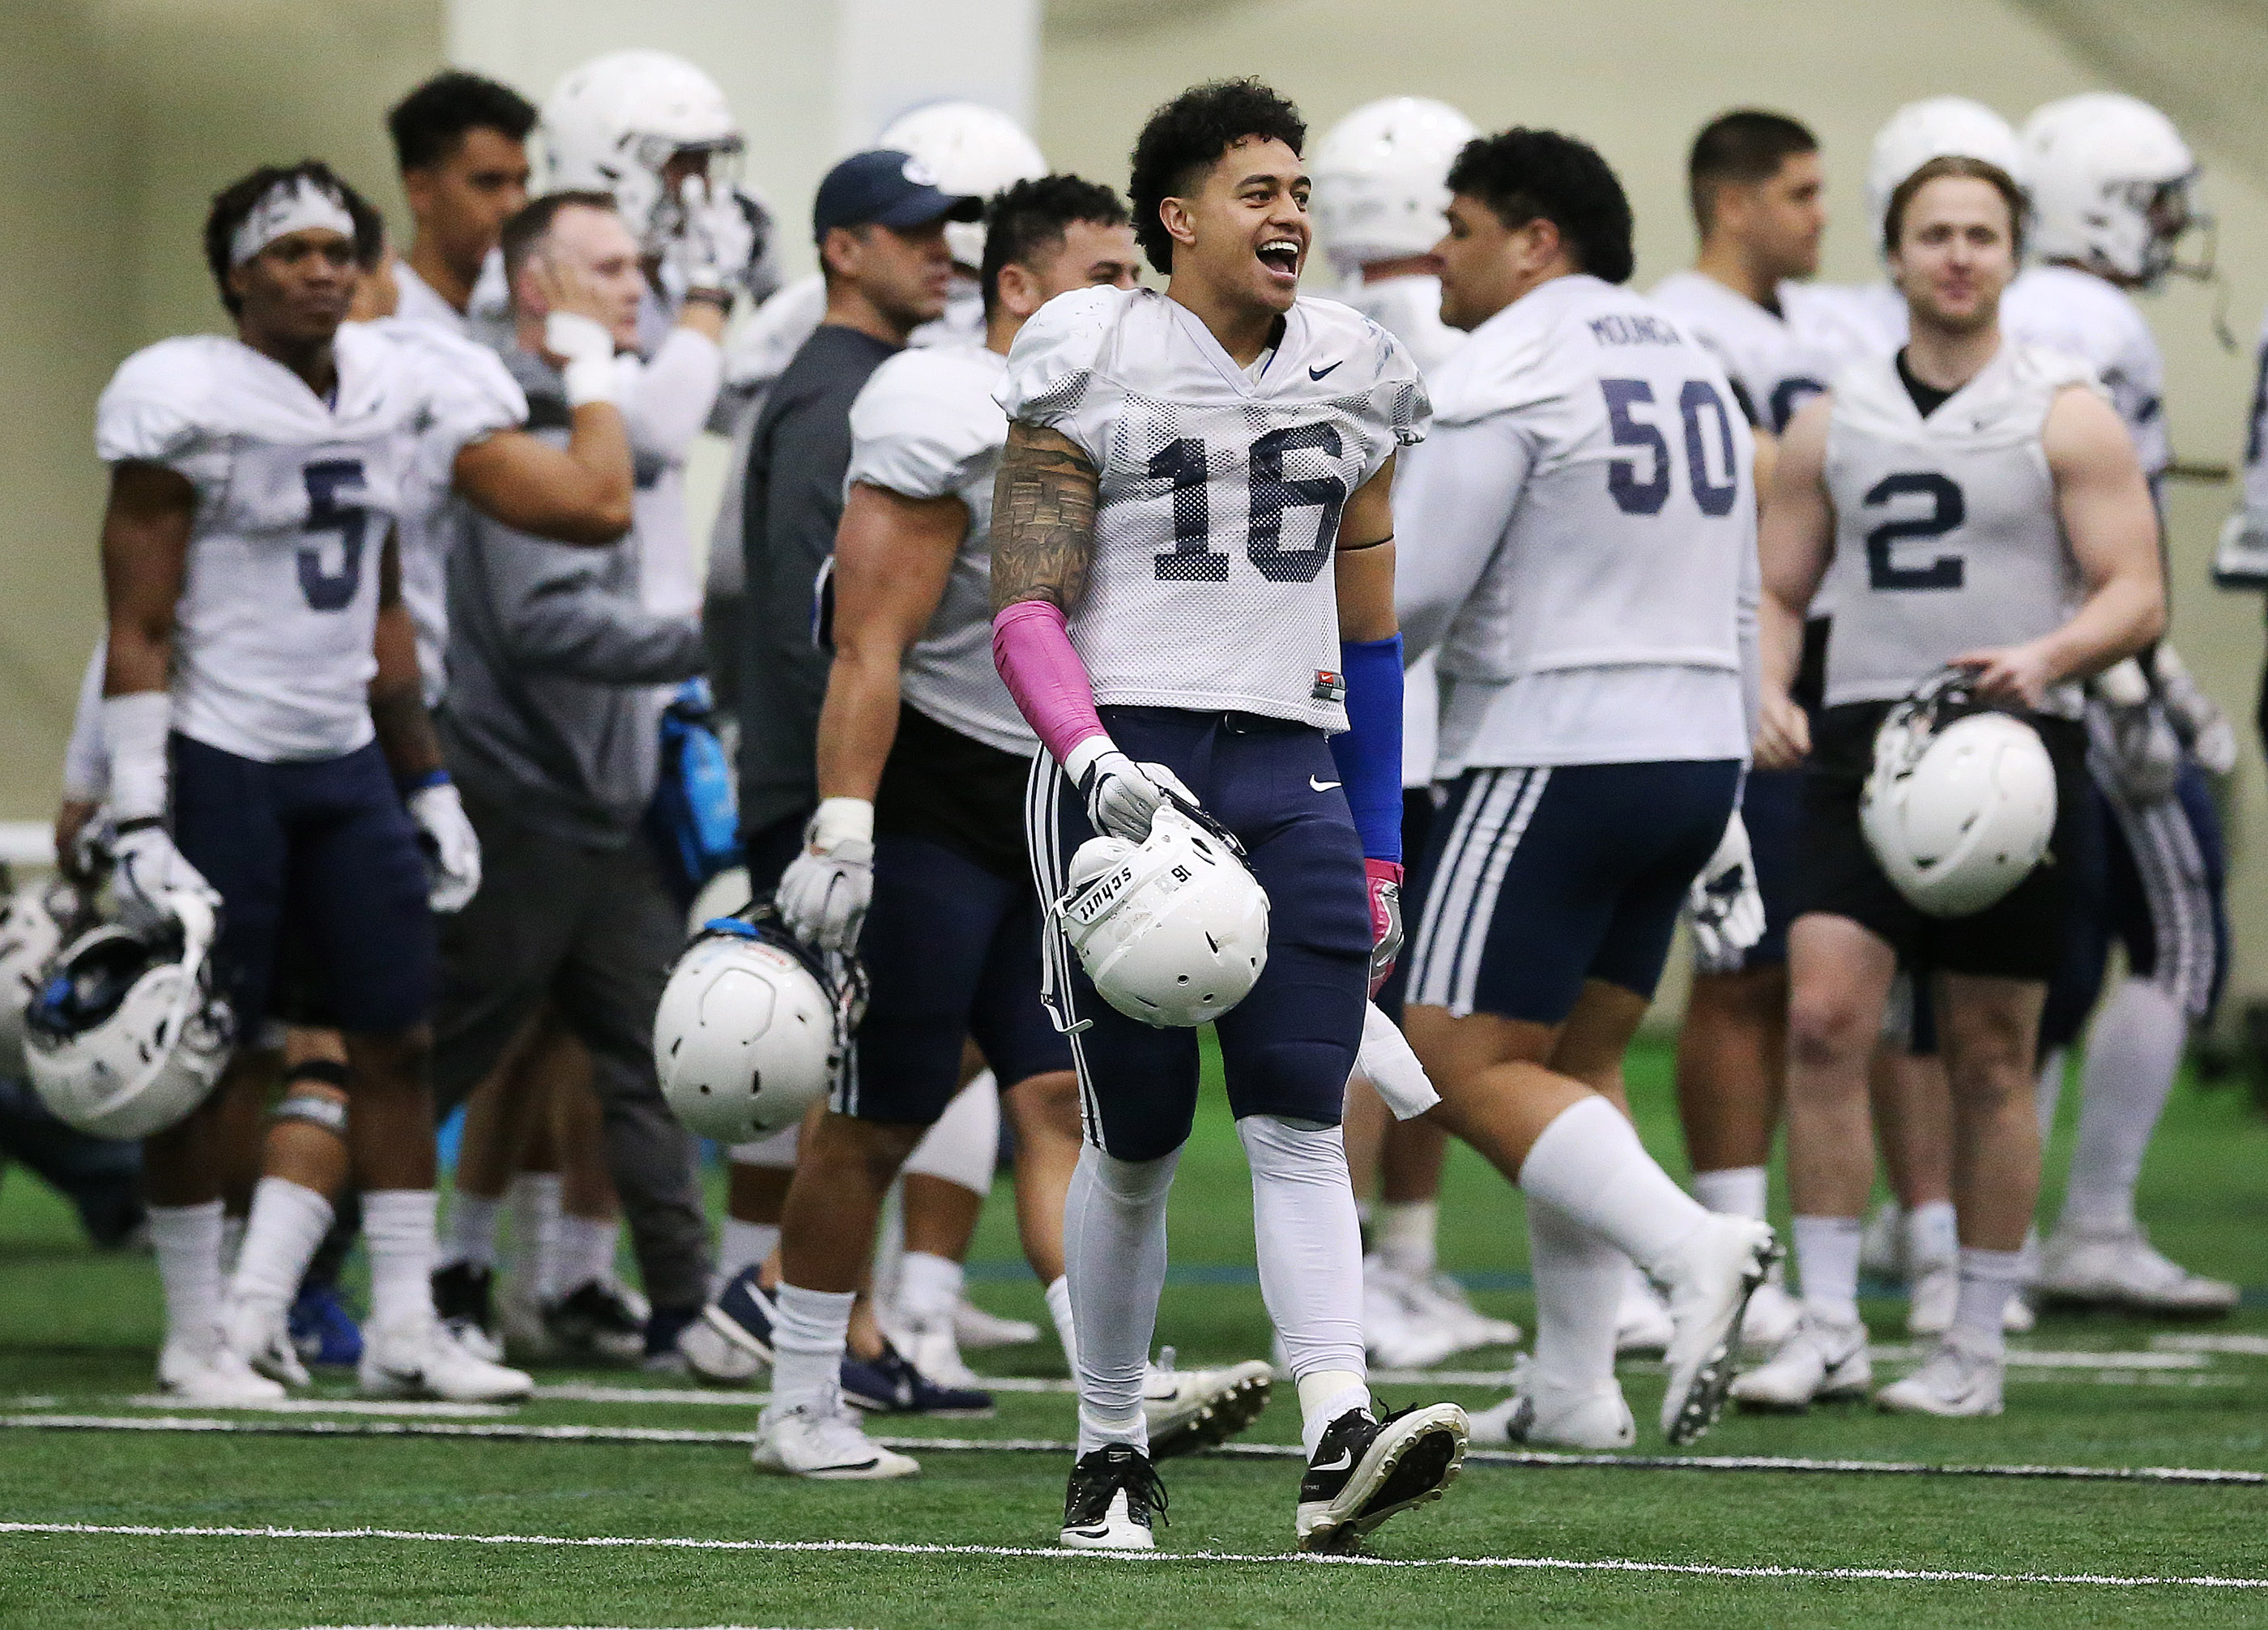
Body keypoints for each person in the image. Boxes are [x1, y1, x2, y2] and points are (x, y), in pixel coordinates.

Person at [990, 77, 1467, 1555]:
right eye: (1259, 192)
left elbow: (1372, 637)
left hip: (1296, 772)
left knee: (1302, 1116)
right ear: (1178, 218)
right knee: (1132, 1135)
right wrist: (1086, 757)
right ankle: (1110, 1449)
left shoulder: (1357, 366)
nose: (1293, 217)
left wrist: (1380, 842)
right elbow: (1022, 610)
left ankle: (1338, 1430)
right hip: (1128, 774)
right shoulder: (1092, 349)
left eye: (1303, 191)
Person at [752, 173, 1273, 1479]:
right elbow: (868, 644)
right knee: (880, 1107)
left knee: (1061, 1093)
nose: (1132, 301)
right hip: (932, 786)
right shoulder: (939, 405)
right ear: (1018, 290)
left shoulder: (1128, 398)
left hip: (1058, 791)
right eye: (1106, 277)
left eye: (1135, 277)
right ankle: (800, 1399)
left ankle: (1120, 1382)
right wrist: (844, 825)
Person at [99, 161, 534, 1403]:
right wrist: (137, 809)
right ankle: (199, 1331)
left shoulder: (391, 386)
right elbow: (137, 622)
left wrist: (428, 781)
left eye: (339, 248)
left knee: (397, 1036)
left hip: (345, 755)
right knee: (214, 1050)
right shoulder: (184, 398)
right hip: (221, 754)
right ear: (237, 272)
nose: (323, 268)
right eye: (290, 250)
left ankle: (404, 1323)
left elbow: (387, 605)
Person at [1737, 155, 2164, 1418]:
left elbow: (2138, 590)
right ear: (1898, 252)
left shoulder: (2066, 410)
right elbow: (1779, 584)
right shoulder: (1836, 414)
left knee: (1990, 1049)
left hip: (2017, 746)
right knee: (1822, 1019)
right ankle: (1826, 1327)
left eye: (1983, 233)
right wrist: (1770, 685)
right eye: (1936, 234)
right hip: (1868, 741)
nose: (1960, 254)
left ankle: (1974, 1341)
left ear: (2014, 253)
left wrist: (2049, 656)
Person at [1391, 126, 1780, 1453]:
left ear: (1534, 238)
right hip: (1687, 752)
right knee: (1575, 1059)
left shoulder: (1508, 362)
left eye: (1459, 224)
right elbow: (1742, 592)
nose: (1440, 250)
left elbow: (1422, 591)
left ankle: (1691, 1251)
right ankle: (1571, 1384)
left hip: (1554, 745)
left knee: (1452, 1057)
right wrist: (1724, 780)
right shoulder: (1694, 358)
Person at [422, 190, 717, 1369]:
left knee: (653, 1064)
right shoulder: (514, 411)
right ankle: (302, 1293)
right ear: (537, 285)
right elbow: (546, 622)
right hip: (516, 800)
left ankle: (689, 1311)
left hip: (609, 798)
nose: (634, 282)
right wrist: (713, 643)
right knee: (434, 1053)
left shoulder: (597, 409)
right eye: (607, 266)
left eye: (641, 262)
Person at [2000, 94, 2239, 1316]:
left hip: (1997, 662)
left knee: (2036, 959)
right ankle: (2088, 1224)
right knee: (2182, 928)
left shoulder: (2022, 305)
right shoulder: (2097, 322)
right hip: (2082, 671)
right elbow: (2097, 533)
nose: (2166, 224)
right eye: (2151, 198)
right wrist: (2148, 682)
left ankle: (1942, 1221)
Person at [1310, 93, 1520, 1371]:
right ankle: (1377, 1267)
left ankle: (1396, 1266)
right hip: (1412, 717)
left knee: (1397, 1012)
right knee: (1373, 1014)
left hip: (1383, 709)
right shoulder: (1439, 346)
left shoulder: (1326, 332)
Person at [1648, 108, 1862, 1355]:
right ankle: (1729, 1237)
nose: (1819, 214)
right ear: (1733, 202)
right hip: (1733, 649)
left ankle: (1774, 1242)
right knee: (1742, 963)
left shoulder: (1819, 325)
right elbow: (1771, 474)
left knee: (1811, 976)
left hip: (1830, 651)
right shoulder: (1680, 320)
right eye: (1799, 190)